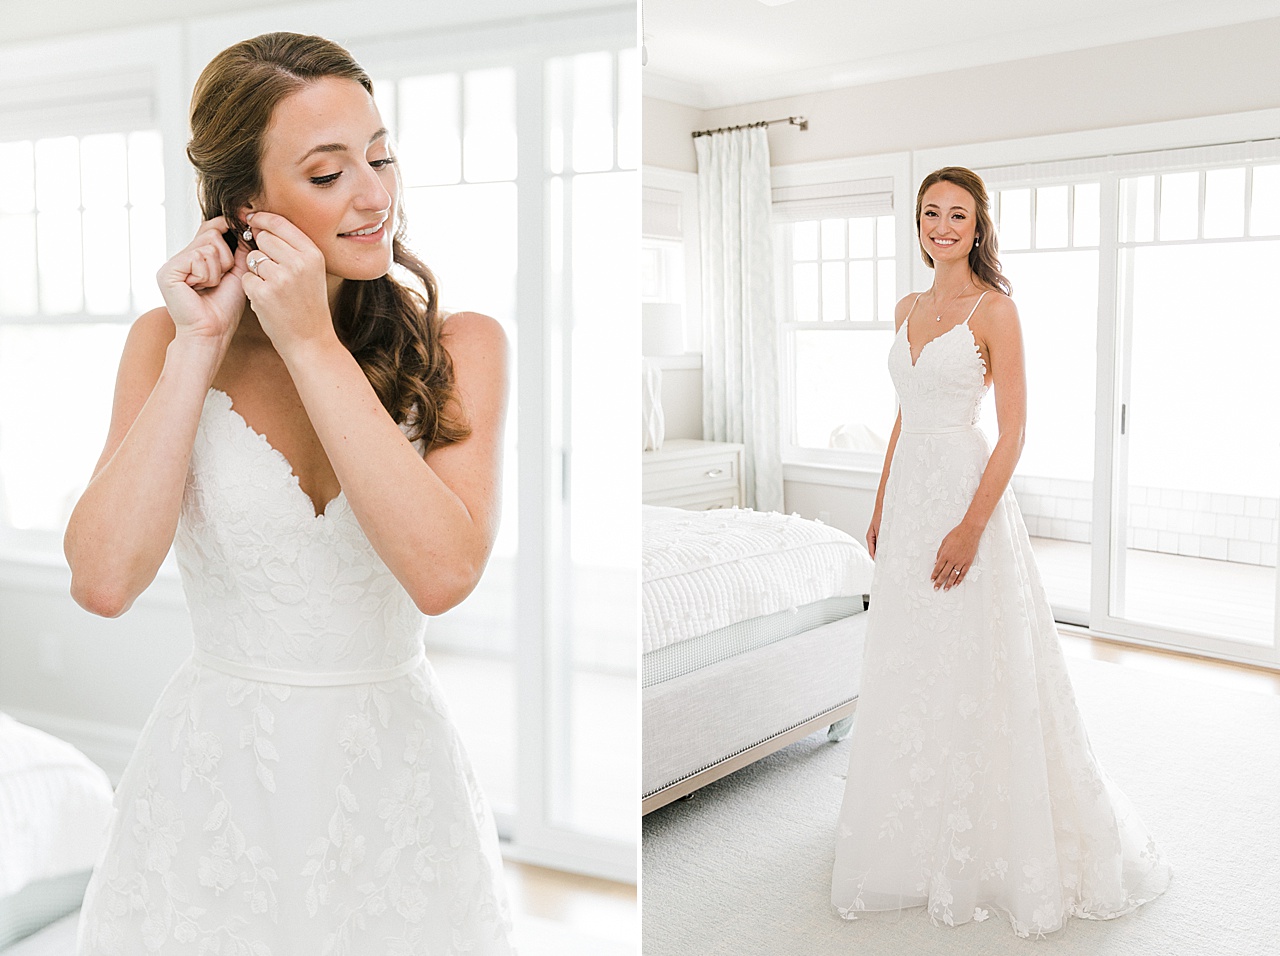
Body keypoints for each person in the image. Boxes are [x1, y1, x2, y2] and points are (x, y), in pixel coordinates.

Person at [64, 33, 513, 954]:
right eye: (328, 173)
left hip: (395, 784)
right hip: (215, 789)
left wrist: (311, 342)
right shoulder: (165, 341)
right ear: (247, 206)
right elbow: (103, 582)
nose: (375, 194)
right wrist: (197, 346)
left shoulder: (462, 345)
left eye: (381, 155)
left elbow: (443, 574)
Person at [830, 167, 1171, 938]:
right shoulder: (906, 308)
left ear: (978, 227)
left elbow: (1014, 432)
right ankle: (911, 827)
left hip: (964, 491)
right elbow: (902, 416)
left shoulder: (995, 310)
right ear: (918, 224)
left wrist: (969, 527)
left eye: (958, 214)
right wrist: (880, 505)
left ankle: (986, 831)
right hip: (910, 495)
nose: (942, 226)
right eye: (931, 213)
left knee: (975, 657)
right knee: (912, 657)